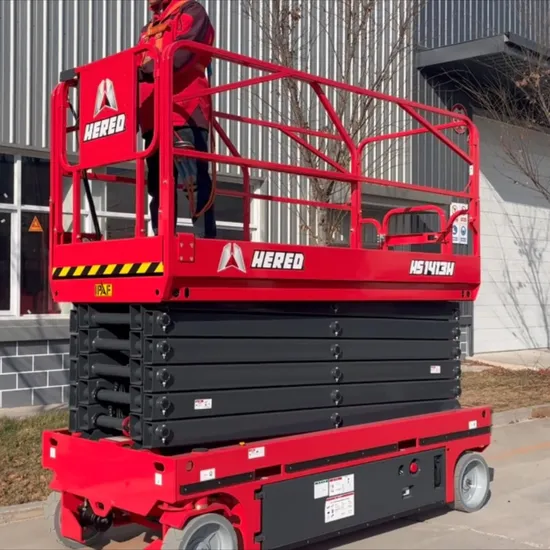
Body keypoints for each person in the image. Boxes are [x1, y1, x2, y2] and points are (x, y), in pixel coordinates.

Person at [137, 0, 217, 238]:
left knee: (193, 180)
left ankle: (204, 239)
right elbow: (134, 62)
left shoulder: (191, 11)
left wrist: (142, 71)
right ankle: (161, 237)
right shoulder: (148, 29)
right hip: (154, 115)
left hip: (185, 109)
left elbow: (182, 53)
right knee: (157, 184)